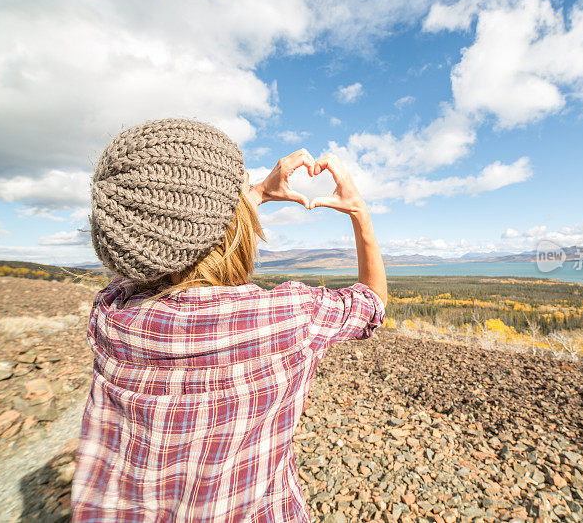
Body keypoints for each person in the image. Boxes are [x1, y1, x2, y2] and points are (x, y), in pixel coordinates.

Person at [72, 118, 387, 522]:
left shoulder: (111, 313)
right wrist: (360, 211)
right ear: (230, 218)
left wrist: (255, 193)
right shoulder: (288, 318)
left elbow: (173, 240)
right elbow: (372, 301)